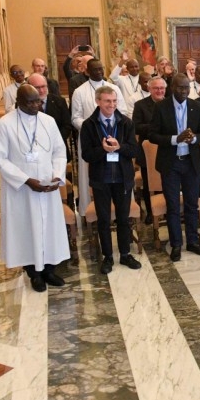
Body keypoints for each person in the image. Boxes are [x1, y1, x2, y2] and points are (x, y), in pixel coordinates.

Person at [0, 84, 70, 292]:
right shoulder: (4, 125)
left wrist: (57, 176)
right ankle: (34, 273)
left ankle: (50, 269)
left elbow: (59, 152)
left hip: (47, 187)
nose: (37, 105)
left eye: (38, 101)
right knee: (27, 228)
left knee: (49, 227)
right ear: (19, 102)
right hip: (22, 190)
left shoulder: (48, 122)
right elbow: (0, 159)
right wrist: (26, 180)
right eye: (32, 102)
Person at [80, 87, 142, 274]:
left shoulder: (125, 122)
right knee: (104, 220)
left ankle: (125, 253)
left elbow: (133, 150)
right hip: (101, 180)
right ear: (98, 101)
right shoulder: (89, 125)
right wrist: (103, 150)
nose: (112, 105)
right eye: (108, 101)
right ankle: (107, 256)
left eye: (114, 101)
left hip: (122, 178)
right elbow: (87, 155)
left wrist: (119, 147)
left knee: (123, 218)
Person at [149, 73, 200, 261]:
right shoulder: (161, 107)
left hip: (191, 163)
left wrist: (194, 138)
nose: (184, 91)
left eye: (186, 88)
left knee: (192, 203)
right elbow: (152, 135)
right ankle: (176, 244)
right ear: (171, 87)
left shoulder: (196, 107)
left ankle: (192, 241)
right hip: (171, 163)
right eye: (180, 87)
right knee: (173, 206)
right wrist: (176, 139)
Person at [71, 59, 127, 216]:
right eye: (95, 70)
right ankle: (89, 211)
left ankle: (120, 213)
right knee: (92, 176)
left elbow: (123, 111)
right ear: (87, 71)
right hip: (91, 139)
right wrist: (93, 128)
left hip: (115, 136)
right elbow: (75, 118)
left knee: (118, 175)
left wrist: (111, 125)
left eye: (101, 69)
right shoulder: (79, 91)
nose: (99, 72)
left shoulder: (114, 88)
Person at [132, 76, 167, 224]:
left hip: (166, 149)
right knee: (149, 183)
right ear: (149, 89)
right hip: (147, 151)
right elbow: (136, 126)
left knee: (167, 181)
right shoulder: (140, 105)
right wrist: (154, 126)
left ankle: (166, 208)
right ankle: (151, 211)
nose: (159, 91)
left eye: (161, 88)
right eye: (156, 88)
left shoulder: (170, 103)